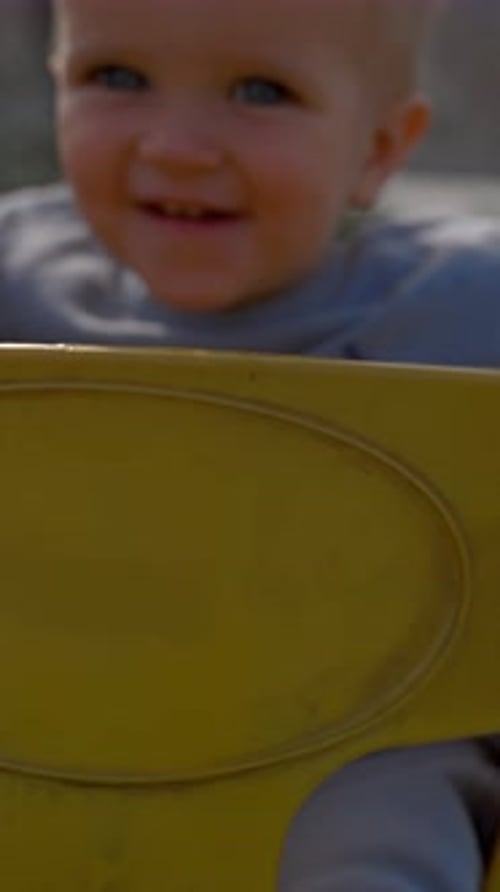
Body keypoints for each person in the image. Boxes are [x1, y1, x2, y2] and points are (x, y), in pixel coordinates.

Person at [1, 0, 500, 889]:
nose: (177, 146)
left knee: (398, 785)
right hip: (38, 707)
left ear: (379, 149)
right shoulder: (13, 274)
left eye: (261, 91)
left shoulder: (457, 301)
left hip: (341, 732)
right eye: (116, 78)